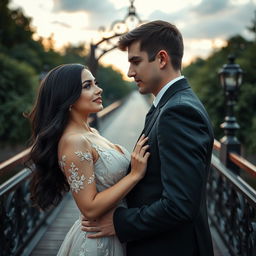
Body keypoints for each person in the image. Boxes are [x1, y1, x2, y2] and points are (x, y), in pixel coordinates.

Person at [81, 20, 215, 256]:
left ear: (162, 59)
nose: (129, 72)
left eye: (135, 62)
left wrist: (120, 222)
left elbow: (180, 205)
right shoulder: (167, 105)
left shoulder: (178, 112)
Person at [27, 63, 150, 255]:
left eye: (96, 83)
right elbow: (90, 208)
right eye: (87, 86)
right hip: (98, 240)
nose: (98, 89)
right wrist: (134, 175)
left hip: (116, 230)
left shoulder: (91, 132)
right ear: (67, 98)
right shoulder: (73, 141)